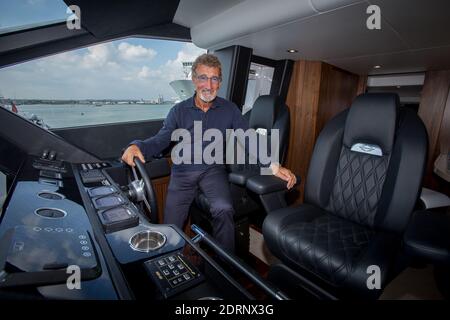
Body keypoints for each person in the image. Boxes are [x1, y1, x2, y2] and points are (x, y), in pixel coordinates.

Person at [122, 53, 296, 252]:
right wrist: (137, 146)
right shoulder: (178, 111)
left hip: (213, 171)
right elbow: (161, 139)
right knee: (170, 229)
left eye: (214, 79)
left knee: (224, 209)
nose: (209, 85)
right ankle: (171, 263)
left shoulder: (229, 109)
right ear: (195, 80)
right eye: (203, 78)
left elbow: (249, 137)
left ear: (220, 83)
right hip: (183, 173)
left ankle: (225, 267)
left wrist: (274, 166)